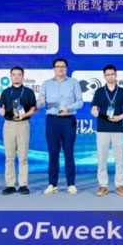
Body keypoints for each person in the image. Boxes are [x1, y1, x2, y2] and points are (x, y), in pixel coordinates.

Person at [38, 58, 83, 195]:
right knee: (53, 153)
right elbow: (39, 104)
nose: (61, 69)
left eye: (63, 66)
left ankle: (71, 184)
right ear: (54, 69)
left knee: (69, 152)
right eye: (58, 66)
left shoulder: (74, 82)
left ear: (66, 68)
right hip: (52, 121)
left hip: (68, 120)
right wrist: (41, 102)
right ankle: (52, 184)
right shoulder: (46, 84)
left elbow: (80, 102)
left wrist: (69, 108)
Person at [91, 65, 123, 197]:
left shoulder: (122, 91)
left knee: (119, 159)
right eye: (108, 75)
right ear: (104, 76)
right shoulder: (99, 91)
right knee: (102, 158)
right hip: (103, 128)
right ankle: (103, 185)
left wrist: (121, 116)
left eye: (112, 74)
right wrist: (94, 112)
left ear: (116, 75)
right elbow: (94, 108)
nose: (110, 77)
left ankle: (120, 185)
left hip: (117, 128)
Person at [0, 66, 37, 195]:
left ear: (22, 76)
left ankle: (23, 185)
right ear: (10, 76)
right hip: (9, 125)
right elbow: (0, 108)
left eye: (19, 74)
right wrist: (1, 111)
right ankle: (10, 185)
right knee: (9, 157)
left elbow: (33, 109)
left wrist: (25, 115)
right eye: (14, 74)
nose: (16, 77)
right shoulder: (5, 92)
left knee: (23, 157)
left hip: (23, 125)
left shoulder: (28, 92)